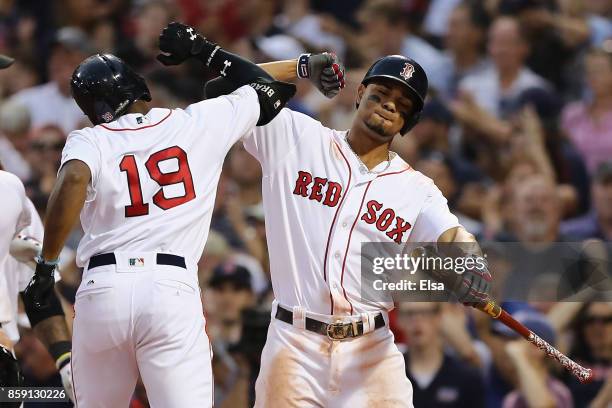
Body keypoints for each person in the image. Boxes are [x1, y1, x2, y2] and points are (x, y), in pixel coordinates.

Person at [21, 21, 298, 407]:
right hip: (169, 286)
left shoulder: (90, 138)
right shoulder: (194, 121)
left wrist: (48, 264)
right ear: (140, 88)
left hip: (103, 288)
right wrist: (207, 51)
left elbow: (71, 182)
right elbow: (267, 89)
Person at [207, 54, 493, 406]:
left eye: (402, 104)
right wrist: (301, 67)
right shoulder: (299, 137)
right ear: (360, 93)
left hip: (370, 348)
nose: (389, 105)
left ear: (409, 120)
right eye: (381, 93)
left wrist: (469, 265)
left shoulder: (418, 190)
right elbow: (226, 87)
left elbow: (453, 235)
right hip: (294, 342)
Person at [399, 302, 485, 408]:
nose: (417, 320)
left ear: (439, 317)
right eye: (410, 313)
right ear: (399, 319)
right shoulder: (388, 375)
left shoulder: (466, 378)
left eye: (425, 313)